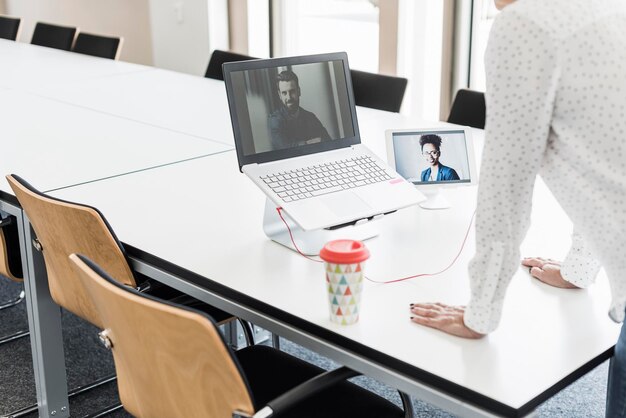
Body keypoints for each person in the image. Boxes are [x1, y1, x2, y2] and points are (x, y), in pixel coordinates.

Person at [408, 0, 626, 416]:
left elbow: (506, 184)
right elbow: (603, 156)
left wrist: (480, 312)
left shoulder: (524, 25)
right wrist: (579, 268)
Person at [268, 70, 331, 149]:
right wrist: (311, 142)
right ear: (280, 95)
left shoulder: (310, 117)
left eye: (292, 91)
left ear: (299, 91)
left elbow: (328, 142)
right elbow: (285, 149)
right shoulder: (274, 120)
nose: (289, 97)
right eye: (284, 93)